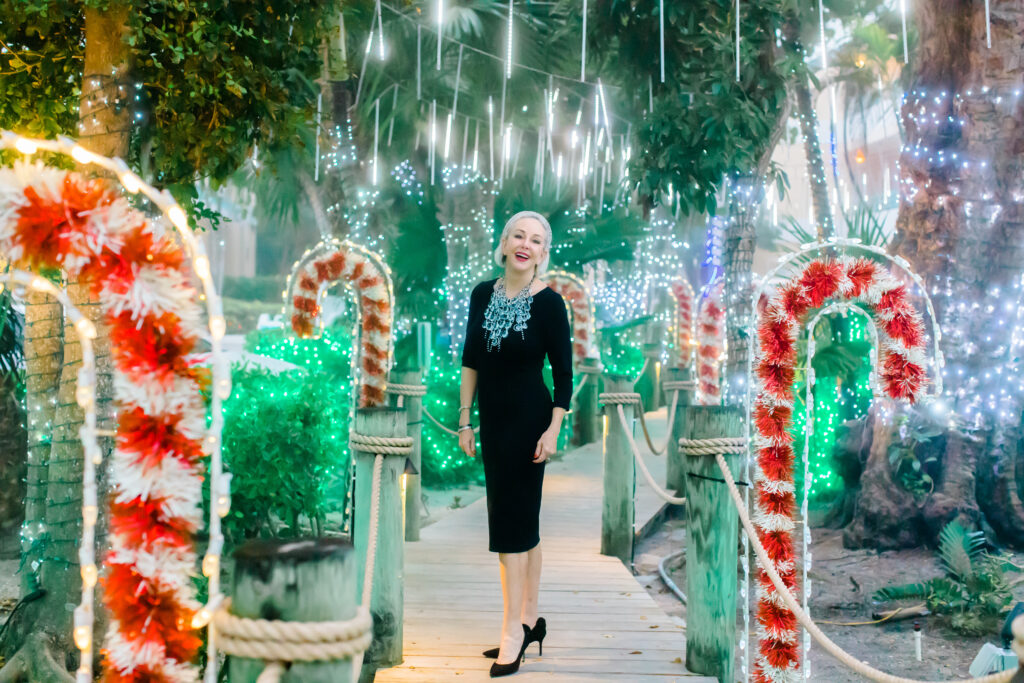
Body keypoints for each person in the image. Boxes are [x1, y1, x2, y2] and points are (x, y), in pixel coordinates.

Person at [458, 211, 573, 678]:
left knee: (513, 528)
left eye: (537, 241)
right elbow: (471, 360)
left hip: (530, 423)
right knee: (523, 523)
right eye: (519, 236)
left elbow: (564, 377)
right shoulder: (481, 294)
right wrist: (465, 420)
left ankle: (512, 631)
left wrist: (553, 429)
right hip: (492, 423)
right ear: (505, 243)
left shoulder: (550, 304)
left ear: (543, 254)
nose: (527, 245)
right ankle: (529, 619)